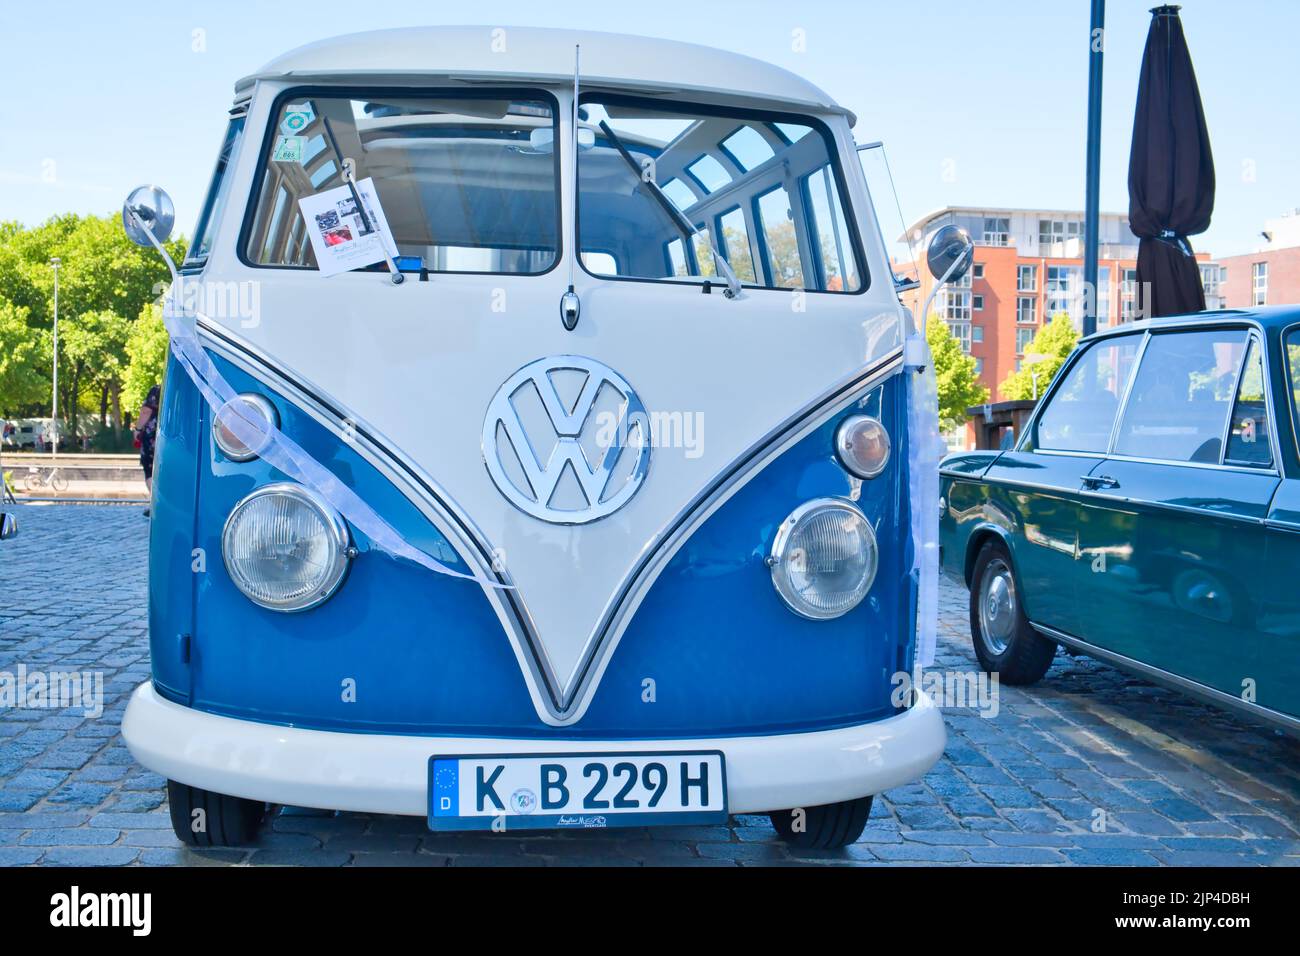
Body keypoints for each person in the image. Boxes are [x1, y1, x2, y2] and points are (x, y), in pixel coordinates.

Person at [135, 384, 160, 517]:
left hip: (151, 435)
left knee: (150, 469)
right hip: (168, 434)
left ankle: (155, 505)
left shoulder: (156, 390)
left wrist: (138, 429)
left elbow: (146, 411)